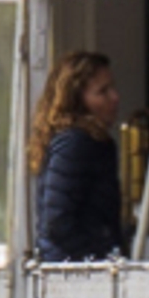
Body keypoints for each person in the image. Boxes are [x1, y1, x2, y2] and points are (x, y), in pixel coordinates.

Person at [29, 49, 127, 260]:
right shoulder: (76, 143)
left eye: (112, 88)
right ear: (78, 101)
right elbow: (57, 220)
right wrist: (94, 259)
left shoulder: (89, 142)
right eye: (103, 91)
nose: (115, 97)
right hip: (73, 275)